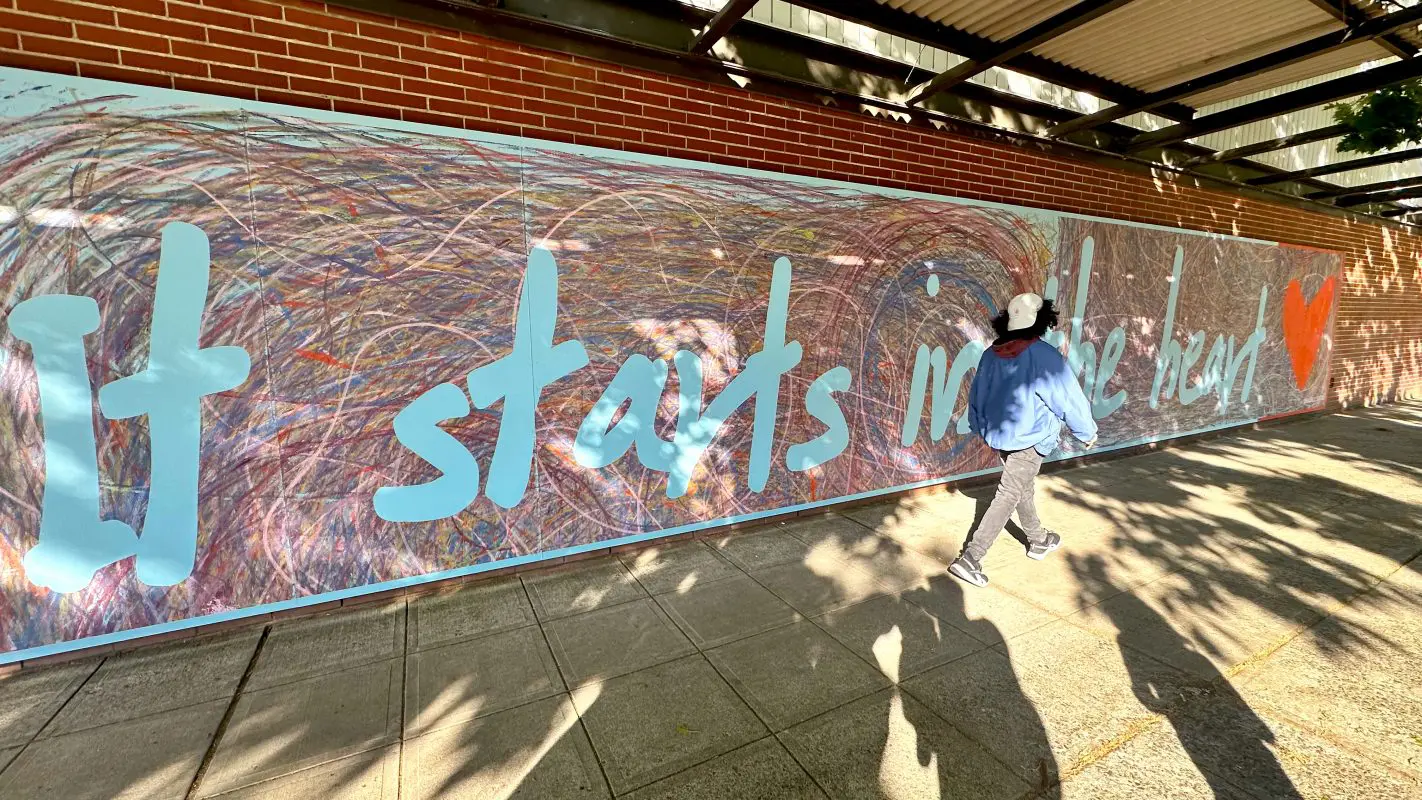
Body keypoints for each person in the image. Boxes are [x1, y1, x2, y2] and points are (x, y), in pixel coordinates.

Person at [949, 292, 1097, 588]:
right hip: (1031, 437)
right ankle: (972, 557)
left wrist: (978, 424)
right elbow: (1067, 397)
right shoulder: (1043, 356)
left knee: (1020, 487)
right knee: (1009, 491)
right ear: (1042, 321)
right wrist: (1086, 432)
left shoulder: (991, 353)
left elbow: (978, 393)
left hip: (1001, 435)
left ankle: (1038, 539)